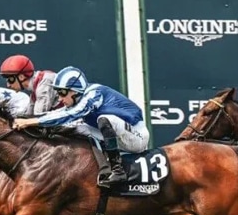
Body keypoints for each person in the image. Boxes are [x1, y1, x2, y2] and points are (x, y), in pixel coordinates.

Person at [12, 66, 149, 189]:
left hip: (137, 136)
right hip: (119, 135)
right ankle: (104, 168)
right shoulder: (79, 98)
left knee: (104, 119)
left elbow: (72, 114)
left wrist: (32, 121)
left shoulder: (94, 94)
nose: (59, 99)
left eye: (62, 93)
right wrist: (29, 120)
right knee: (75, 128)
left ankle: (118, 171)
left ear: (74, 91)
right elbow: (59, 114)